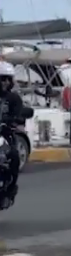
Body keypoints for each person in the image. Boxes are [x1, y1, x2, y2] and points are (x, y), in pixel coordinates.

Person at [0, 61, 22, 210]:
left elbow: (20, 114)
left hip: (5, 134)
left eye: (8, 79)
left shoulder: (14, 98)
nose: (5, 82)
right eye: (2, 79)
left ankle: (11, 187)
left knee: (14, 156)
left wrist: (15, 120)